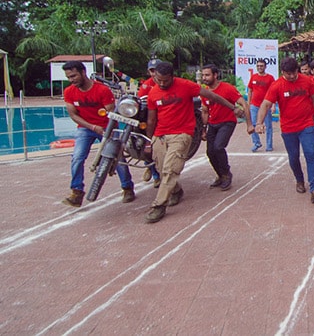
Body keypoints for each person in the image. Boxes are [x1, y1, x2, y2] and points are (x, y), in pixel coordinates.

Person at [145, 61, 244, 223]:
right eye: (158, 80)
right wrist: (149, 141)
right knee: (162, 169)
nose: (161, 84)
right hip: (160, 135)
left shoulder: (185, 85)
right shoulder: (153, 93)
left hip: (182, 134)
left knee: (170, 169)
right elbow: (151, 119)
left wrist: (233, 108)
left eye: (165, 80)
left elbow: (212, 96)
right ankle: (176, 191)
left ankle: (159, 205)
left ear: (172, 77)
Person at [61, 61, 135, 207]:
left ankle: (127, 188)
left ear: (83, 72)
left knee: (118, 157)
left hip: (107, 128)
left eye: (74, 76)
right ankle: (77, 191)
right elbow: (73, 115)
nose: (71, 80)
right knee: (77, 157)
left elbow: (112, 113)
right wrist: (92, 127)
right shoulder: (69, 92)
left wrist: (106, 129)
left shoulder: (102, 90)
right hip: (85, 128)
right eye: (69, 77)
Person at [256, 57, 314, 203]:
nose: (292, 76)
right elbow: (265, 104)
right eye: (288, 74)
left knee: (311, 155)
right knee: (293, 157)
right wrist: (259, 123)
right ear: (282, 72)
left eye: (294, 73)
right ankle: (299, 180)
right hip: (288, 128)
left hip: (307, 125)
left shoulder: (307, 81)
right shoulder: (277, 86)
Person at [200, 64, 253, 190]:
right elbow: (205, 111)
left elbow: (244, 104)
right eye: (203, 75)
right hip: (212, 124)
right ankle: (220, 175)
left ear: (215, 75)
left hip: (227, 122)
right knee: (210, 152)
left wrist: (249, 124)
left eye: (207, 75)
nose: (204, 78)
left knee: (218, 147)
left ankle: (226, 174)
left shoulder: (227, 88)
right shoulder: (204, 92)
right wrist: (203, 130)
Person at [137, 58, 162, 185]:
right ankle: (153, 171)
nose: (154, 73)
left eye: (156, 70)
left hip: (163, 119)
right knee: (145, 144)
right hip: (149, 119)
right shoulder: (146, 85)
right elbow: (139, 100)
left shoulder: (167, 82)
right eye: (152, 71)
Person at [247, 59, 275, 152]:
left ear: (265, 67)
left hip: (266, 106)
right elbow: (250, 90)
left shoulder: (270, 78)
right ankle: (256, 143)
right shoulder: (253, 77)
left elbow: (274, 92)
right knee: (253, 125)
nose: (260, 67)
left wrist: (273, 105)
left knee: (268, 126)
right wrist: (249, 104)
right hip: (254, 105)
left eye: (261, 66)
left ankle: (269, 145)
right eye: (258, 66)